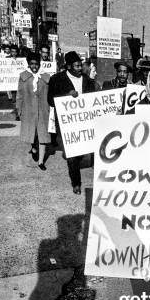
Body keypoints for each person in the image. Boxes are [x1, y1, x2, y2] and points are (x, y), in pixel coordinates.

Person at [48, 51, 96, 194]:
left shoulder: (87, 79)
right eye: (76, 66)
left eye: (81, 65)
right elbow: (50, 100)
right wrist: (66, 96)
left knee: (83, 152)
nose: (80, 68)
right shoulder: (56, 79)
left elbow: (92, 98)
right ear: (68, 66)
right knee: (72, 155)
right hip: (67, 124)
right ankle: (76, 183)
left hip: (84, 122)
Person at [16, 51, 51, 171]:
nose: (34, 66)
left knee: (43, 135)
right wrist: (19, 110)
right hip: (28, 111)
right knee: (32, 133)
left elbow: (50, 94)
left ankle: (41, 161)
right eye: (32, 64)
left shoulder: (46, 77)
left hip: (43, 111)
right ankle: (33, 147)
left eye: (36, 64)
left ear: (40, 64)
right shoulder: (23, 77)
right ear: (28, 64)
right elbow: (19, 95)